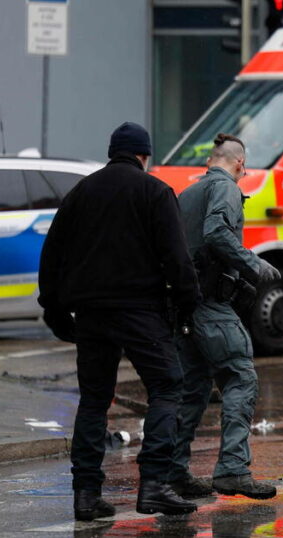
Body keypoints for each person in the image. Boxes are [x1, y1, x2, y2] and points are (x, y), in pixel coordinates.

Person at [38, 122, 201, 520]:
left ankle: (86, 495)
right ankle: (155, 485)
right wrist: (188, 304)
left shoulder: (82, 192)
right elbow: (177, 259)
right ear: (144, 156)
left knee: (94, 399)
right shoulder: (154, 192)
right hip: (141, 310)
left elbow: (52, 254)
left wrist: (55, 310)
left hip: (91, 313)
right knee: (166, 385)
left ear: (113, 152)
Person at [167, 133, 281, 500]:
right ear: (238, 164)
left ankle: (174, 473)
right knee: (240, 377)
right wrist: (254, 265)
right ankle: (232, 470)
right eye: (243, 169)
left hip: (183, 308)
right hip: (211, 306)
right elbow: (216, 232)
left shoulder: (187, 196)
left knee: (194, 389)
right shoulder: (227, 189)